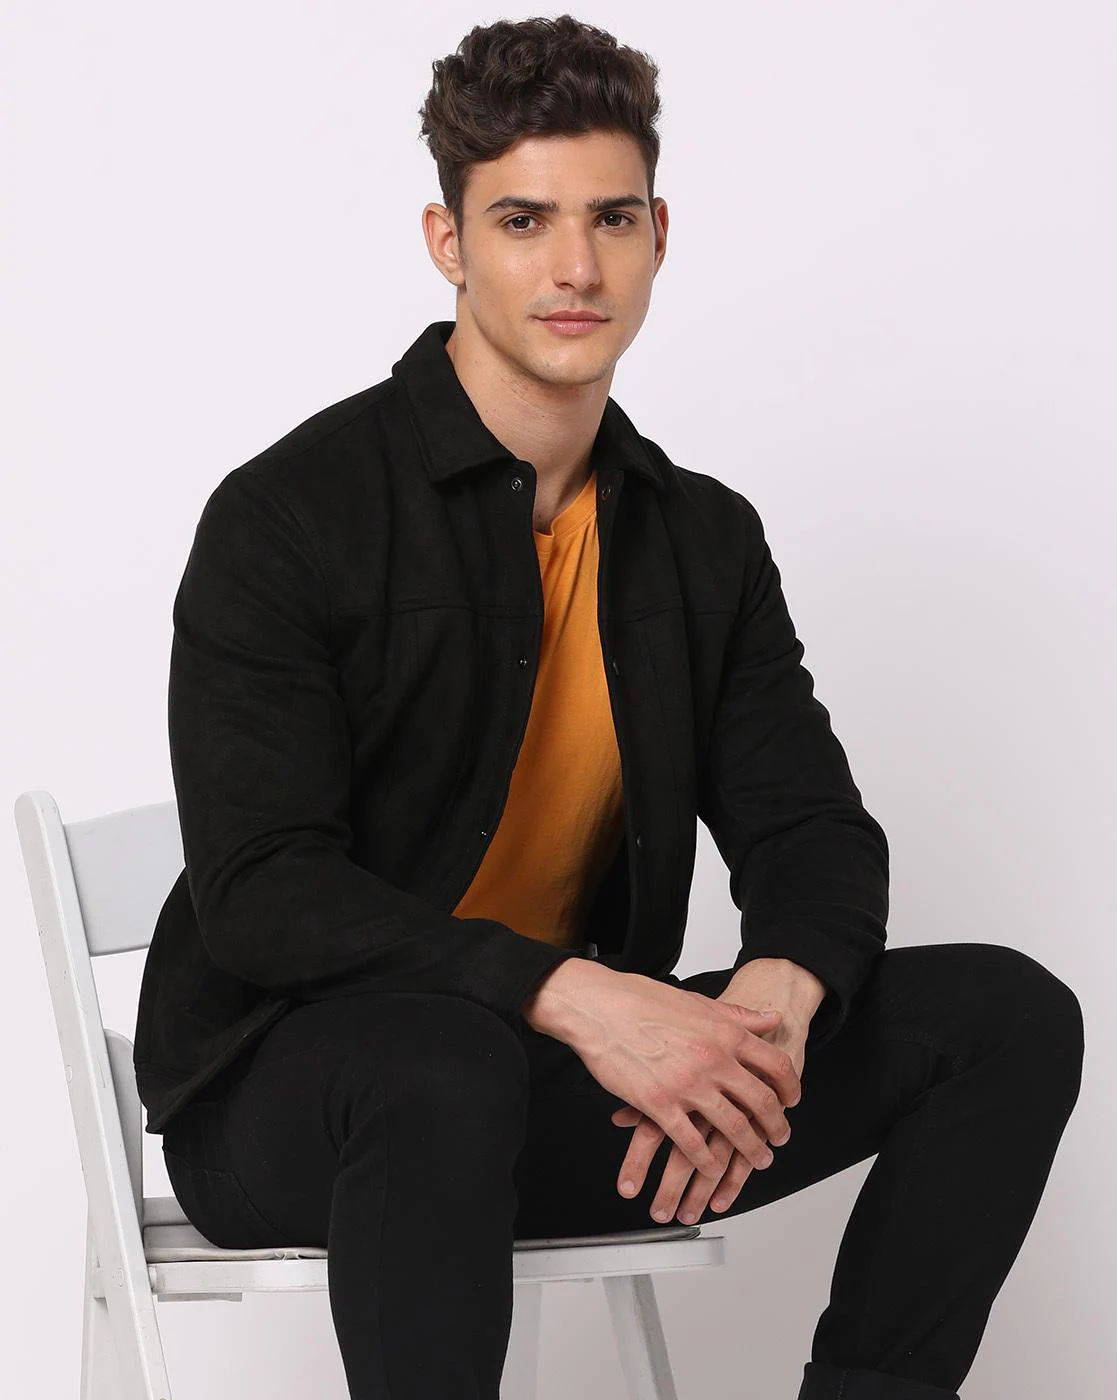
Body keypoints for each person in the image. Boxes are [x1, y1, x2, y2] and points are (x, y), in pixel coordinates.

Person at [133, 15, 1084, 1400]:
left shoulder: (700, 540)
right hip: (291, 1099)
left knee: (1006, 1015)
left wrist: (775, 1003)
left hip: (551, 1088)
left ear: (657, 234)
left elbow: (813, 830)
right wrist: (579, 999)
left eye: (612, 218)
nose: (575, 267)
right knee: (443, 1062)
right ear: (449, 242)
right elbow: (266, 891)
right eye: (523, 220)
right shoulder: (290, 516)